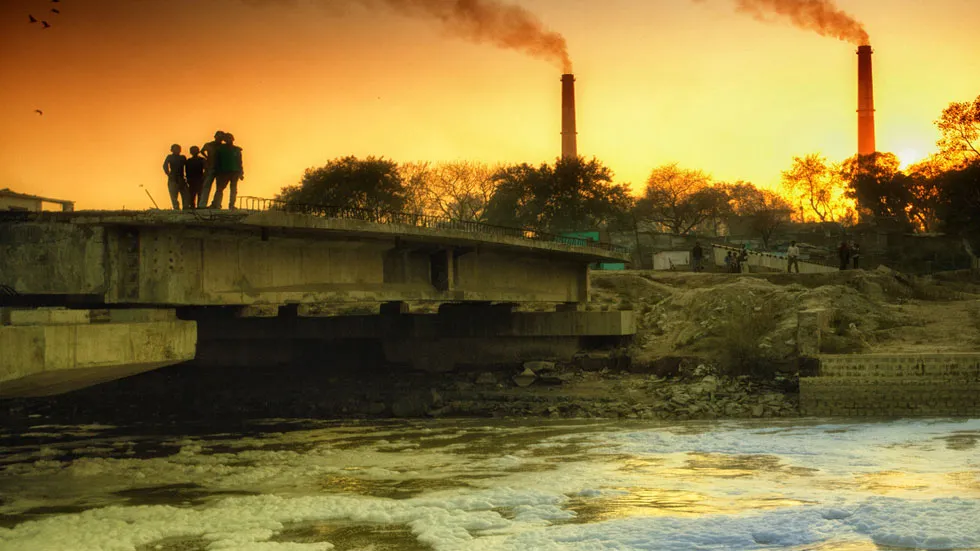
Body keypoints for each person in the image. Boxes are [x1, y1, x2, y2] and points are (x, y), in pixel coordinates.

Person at [210, 133, 244, 209]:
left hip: (235, 172)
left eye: (230, 138)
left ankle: (231, 205)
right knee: (220, 189)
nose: (229, 140)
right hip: (223, 172)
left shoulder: (236, 150)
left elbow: (239, 162)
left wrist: (241, 172)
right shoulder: (220, 149)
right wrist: (217, 171)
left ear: (232, 139)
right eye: (227, 139)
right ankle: (216, 204)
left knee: (233, 190)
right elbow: (217, 161)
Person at [199, 131, 224, 208]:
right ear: (215, 136)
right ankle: (202, 205)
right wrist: (207, 158)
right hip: (211, 168)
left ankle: (216, 204)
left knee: (219, 188)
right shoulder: (209, 145)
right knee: (206, 186)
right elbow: (202, 151)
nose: (219, 138)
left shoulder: (223, 147)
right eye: (218, 136)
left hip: (220, 169)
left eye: (221, 137)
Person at [162, 144, 186, 210]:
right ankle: (176, 208)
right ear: (172, 150)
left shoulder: (182, 157)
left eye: (178, 148)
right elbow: (165, 166)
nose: (177, 150)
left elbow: (187, 167)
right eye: (175, 149)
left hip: (181, 178)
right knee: (173, 196)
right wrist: (169, 174)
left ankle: (186, 207)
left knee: (185, 194)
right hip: (173, 178)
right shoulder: (170, 157)